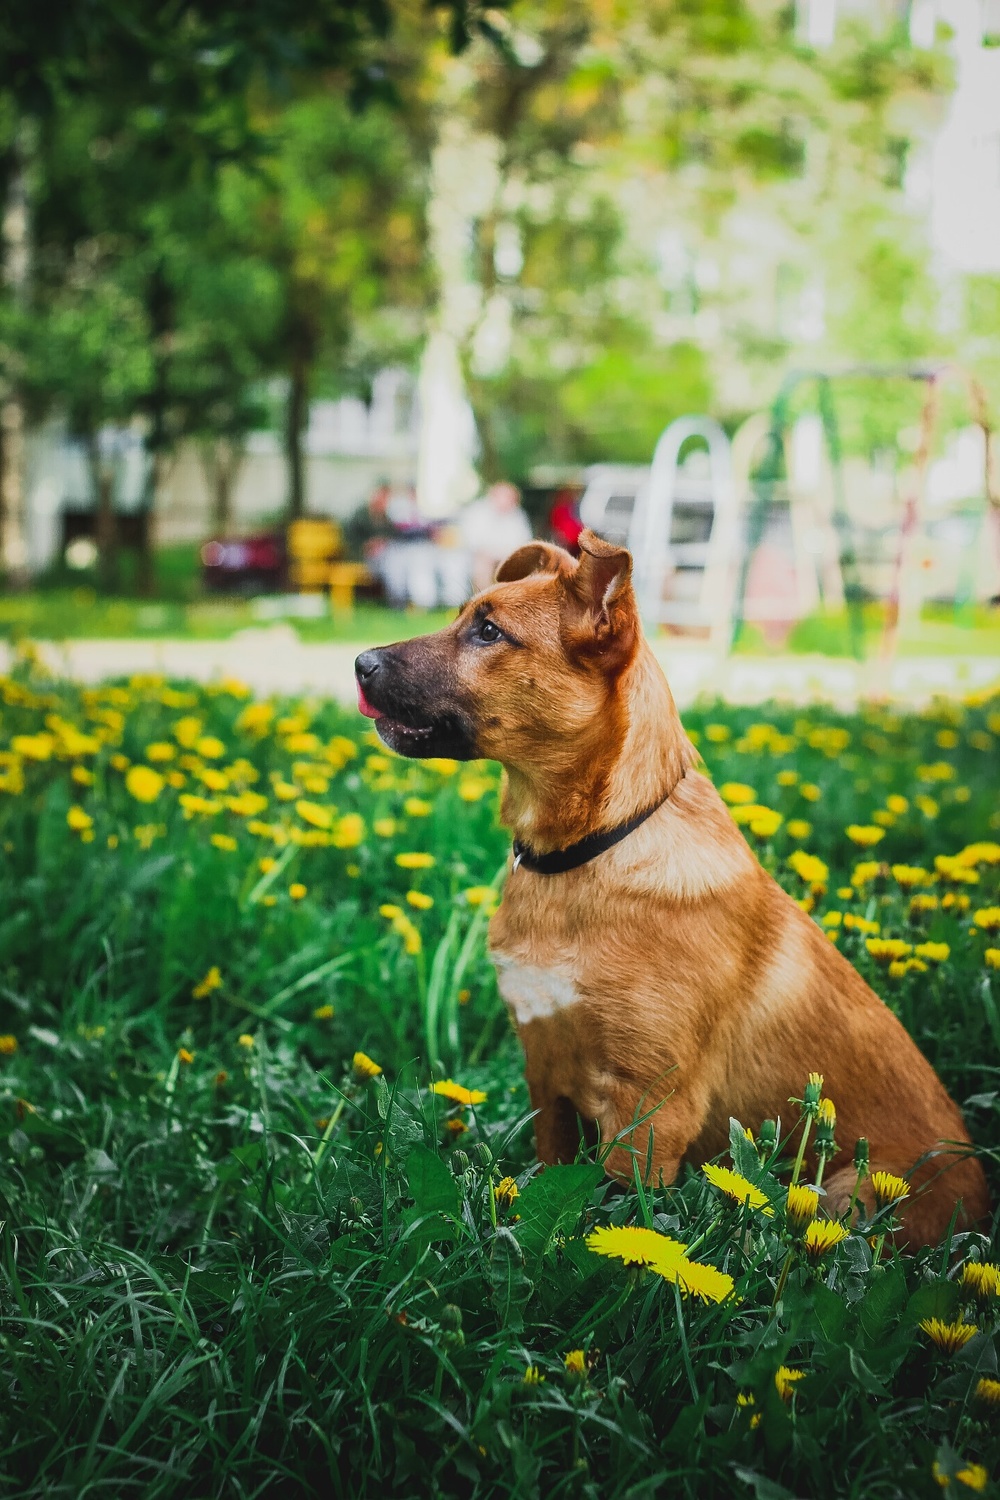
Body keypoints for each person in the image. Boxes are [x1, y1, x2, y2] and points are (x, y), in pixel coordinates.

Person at [460, 481, 533, 594]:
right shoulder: (478, 512)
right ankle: (483, 599)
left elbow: (523, 541)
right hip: (483, 556)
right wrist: (492, 554)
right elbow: (473, 541)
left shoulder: (518, 515)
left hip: (507, 556)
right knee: (482, 568)